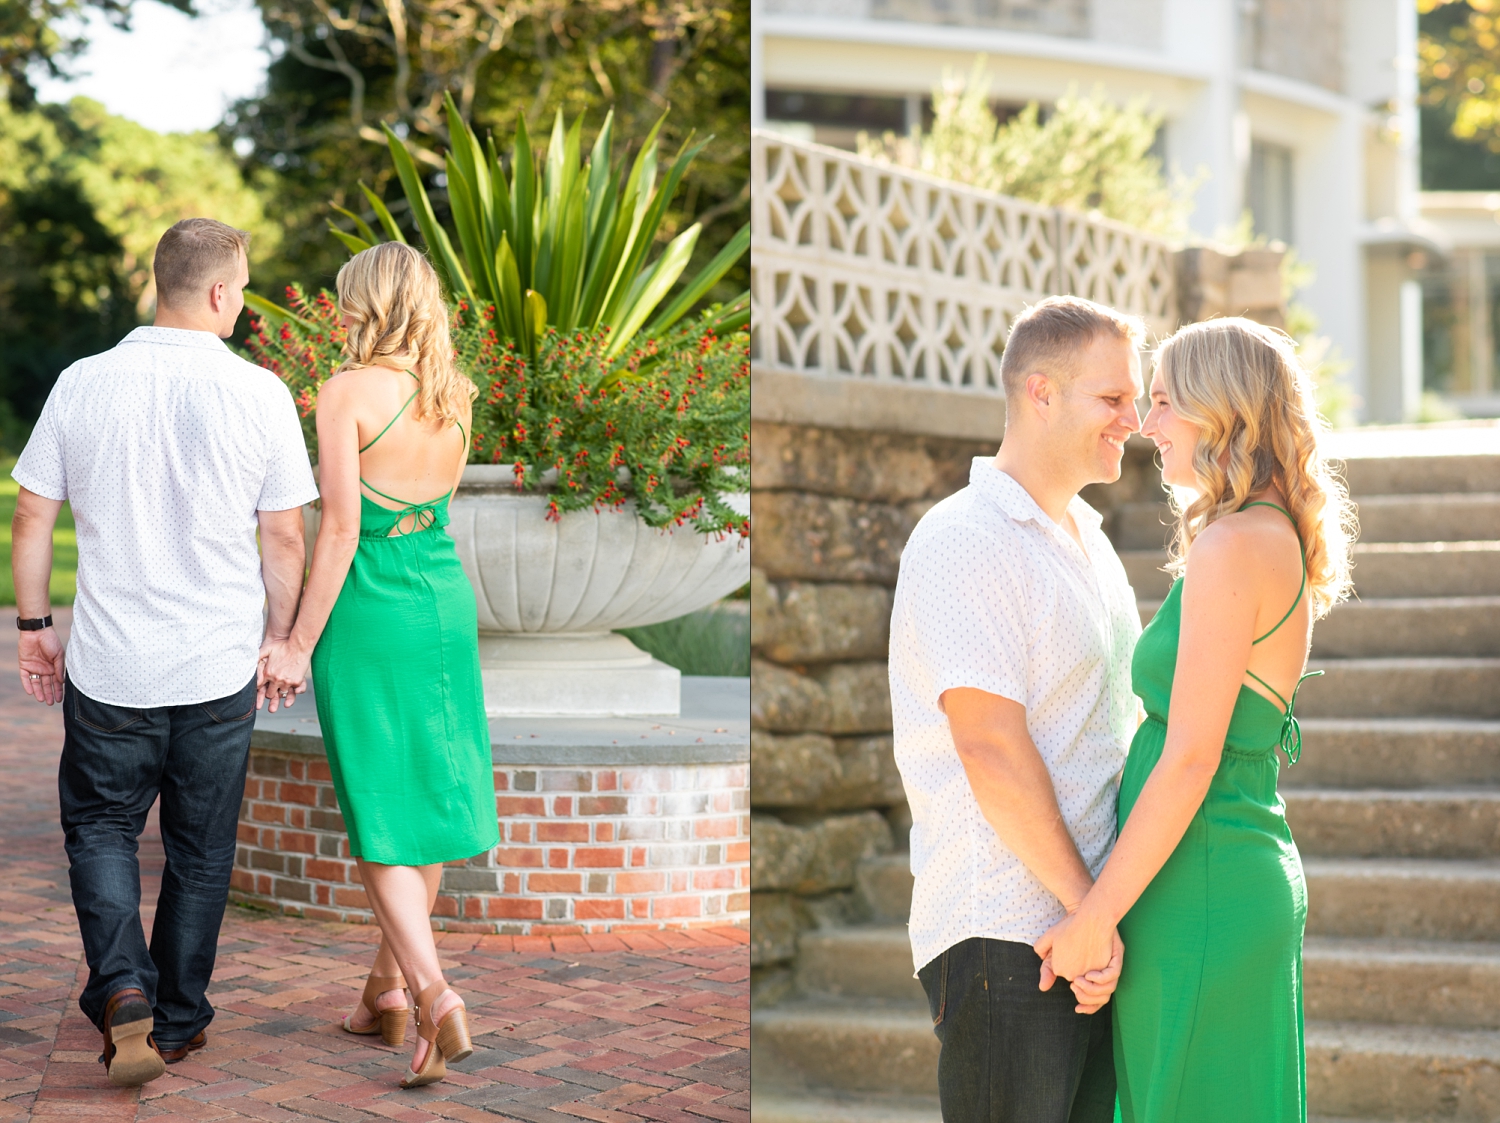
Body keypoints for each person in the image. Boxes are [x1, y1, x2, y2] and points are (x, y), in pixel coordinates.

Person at [10, 218, 319, 1086]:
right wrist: (281, 637)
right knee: (201, 849)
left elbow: (34, 514)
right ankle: (177, 1020)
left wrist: (35, 629)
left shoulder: (83, 381)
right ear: (220, 292)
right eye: (245, 287)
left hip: (112, 662)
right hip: (217, 663)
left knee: (101, 827)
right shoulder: (259, 392)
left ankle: (120, 987)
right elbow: (285, 536)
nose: (246, 301)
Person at [1035, 317, 1356, 1122]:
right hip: (1219, 870)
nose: (1147, 425)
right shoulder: (1263, 532)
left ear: (1225, 410)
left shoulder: (1235, 544)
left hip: (1200, 879)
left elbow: (1189, 760)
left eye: (1166, 402)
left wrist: (1092, 917)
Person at [887, 295, 1146, 1123]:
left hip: (1080, 936)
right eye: (1112, 399)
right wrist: (1088, 912)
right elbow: (990, 748)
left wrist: (1100, 918)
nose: (1133, 420)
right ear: (1040, 392)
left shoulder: (1089, 541)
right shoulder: (966, 535)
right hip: (1006, 938)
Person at [259, 241, 496, 1089]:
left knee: (379, 807)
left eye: (344, 300)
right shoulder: (456, 394)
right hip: (440, 596)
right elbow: (429, 512)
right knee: (425, 794)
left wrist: (294, 640)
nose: (339, 313)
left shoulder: (346, 391)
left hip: (371, 606)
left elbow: (340, 530)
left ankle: (435, 993)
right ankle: (383, 991)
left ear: (367, 303)